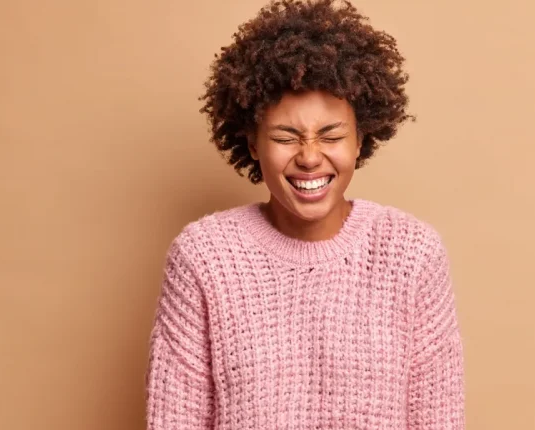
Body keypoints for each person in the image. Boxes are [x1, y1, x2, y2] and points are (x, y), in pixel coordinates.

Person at [144, 0, 465, 428]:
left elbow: (437, 420)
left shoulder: (412, 255)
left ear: (360, 139)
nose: (310, 157)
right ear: (254, 144)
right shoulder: (204, 258)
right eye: (285, 137)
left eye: (331, 135)